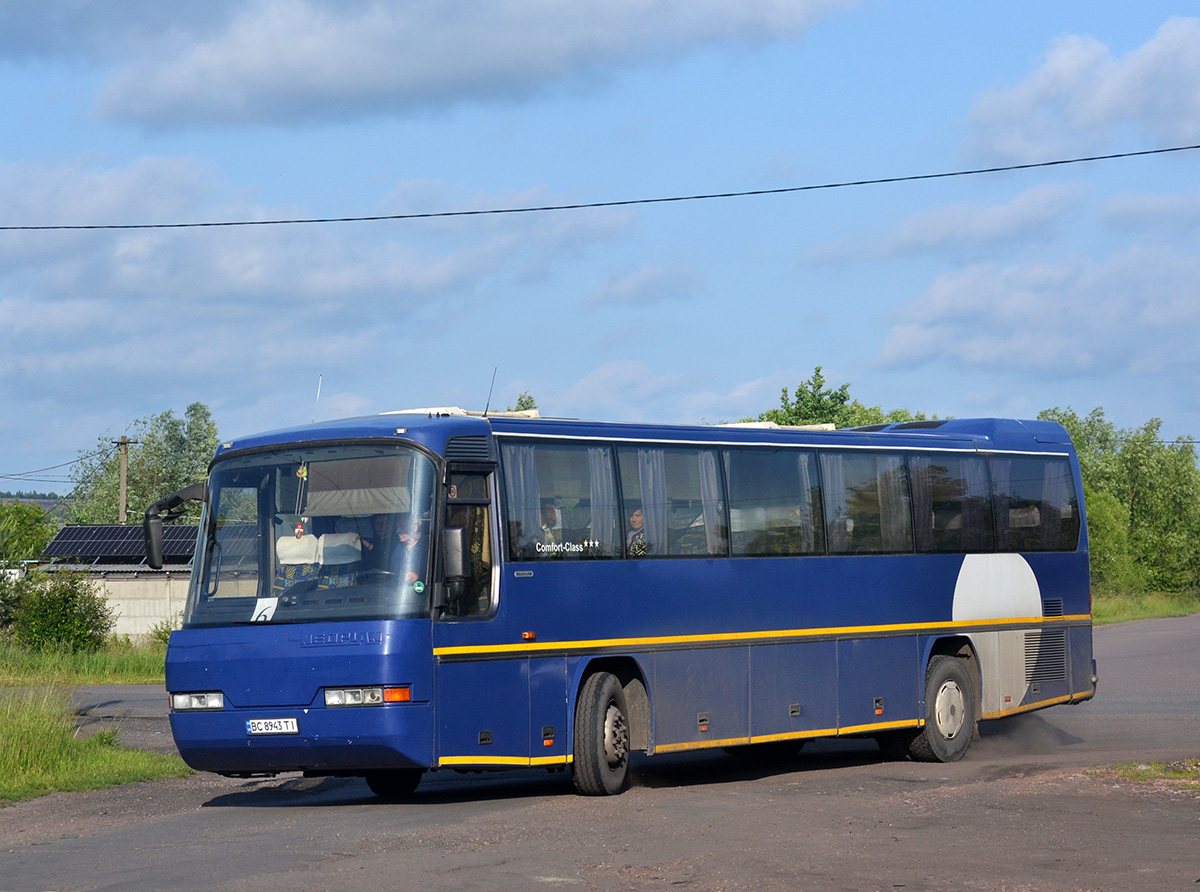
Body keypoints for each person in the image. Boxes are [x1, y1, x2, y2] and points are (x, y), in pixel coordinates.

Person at [389, 514, 427, 585]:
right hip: (398, 591)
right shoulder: (398, 548)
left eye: (402, 527)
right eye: (397, 527)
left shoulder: (429, 547)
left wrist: (417, 577)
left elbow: (436, 576)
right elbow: (393, 572)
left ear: (414, 528)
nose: (397, 531)